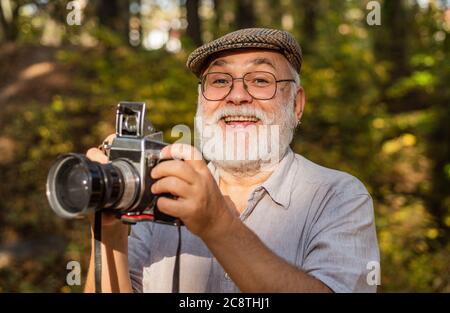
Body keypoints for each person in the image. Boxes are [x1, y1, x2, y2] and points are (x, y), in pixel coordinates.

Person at [84, 28, 380, 293]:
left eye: (261, 80)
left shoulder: (338, 195)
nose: (237, 96)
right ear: (201, 101)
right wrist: (109, 232)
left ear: (297, 104)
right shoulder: (161, 191)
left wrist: (217, 224)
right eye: (220, 80)